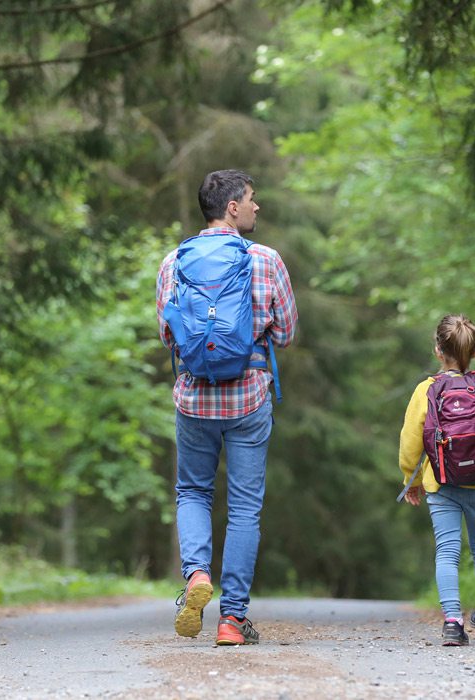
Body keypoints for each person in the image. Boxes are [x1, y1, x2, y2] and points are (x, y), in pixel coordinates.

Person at [156, 169, 297, 646]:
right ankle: (232, 620)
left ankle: (196, 575)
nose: (257, 207)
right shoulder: (265, 259)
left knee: (192, 492)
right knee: (243, 509)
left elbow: (167, 334)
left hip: (194, 398)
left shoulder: (174, 262)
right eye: (252, 200)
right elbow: (287, 332)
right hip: (249, 397)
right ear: (231, 207)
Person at [399, 314, 475, 646]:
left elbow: (410, 443)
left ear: (438, 351)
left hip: (441, 485)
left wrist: (409, 480)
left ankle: (453, 622)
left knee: (447, 551)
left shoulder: (426, 389)